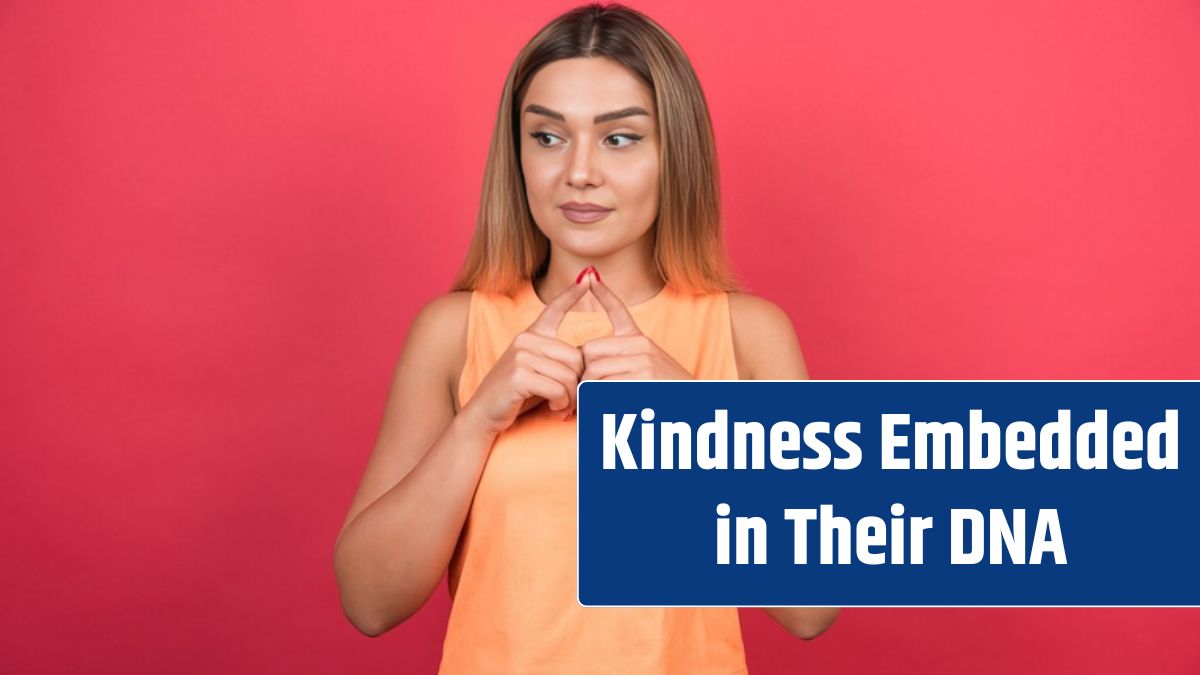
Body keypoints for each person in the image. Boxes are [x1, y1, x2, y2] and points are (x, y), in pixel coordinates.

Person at [333, 3, 839, 672]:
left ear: (673, 153)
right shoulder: (453, 332)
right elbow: (369, 601)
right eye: (547, 137)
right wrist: (480, 417)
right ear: (516, 153)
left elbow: (811, 608)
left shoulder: (748, 335)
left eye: (619, 138)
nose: (578, 171)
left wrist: (695, 421)